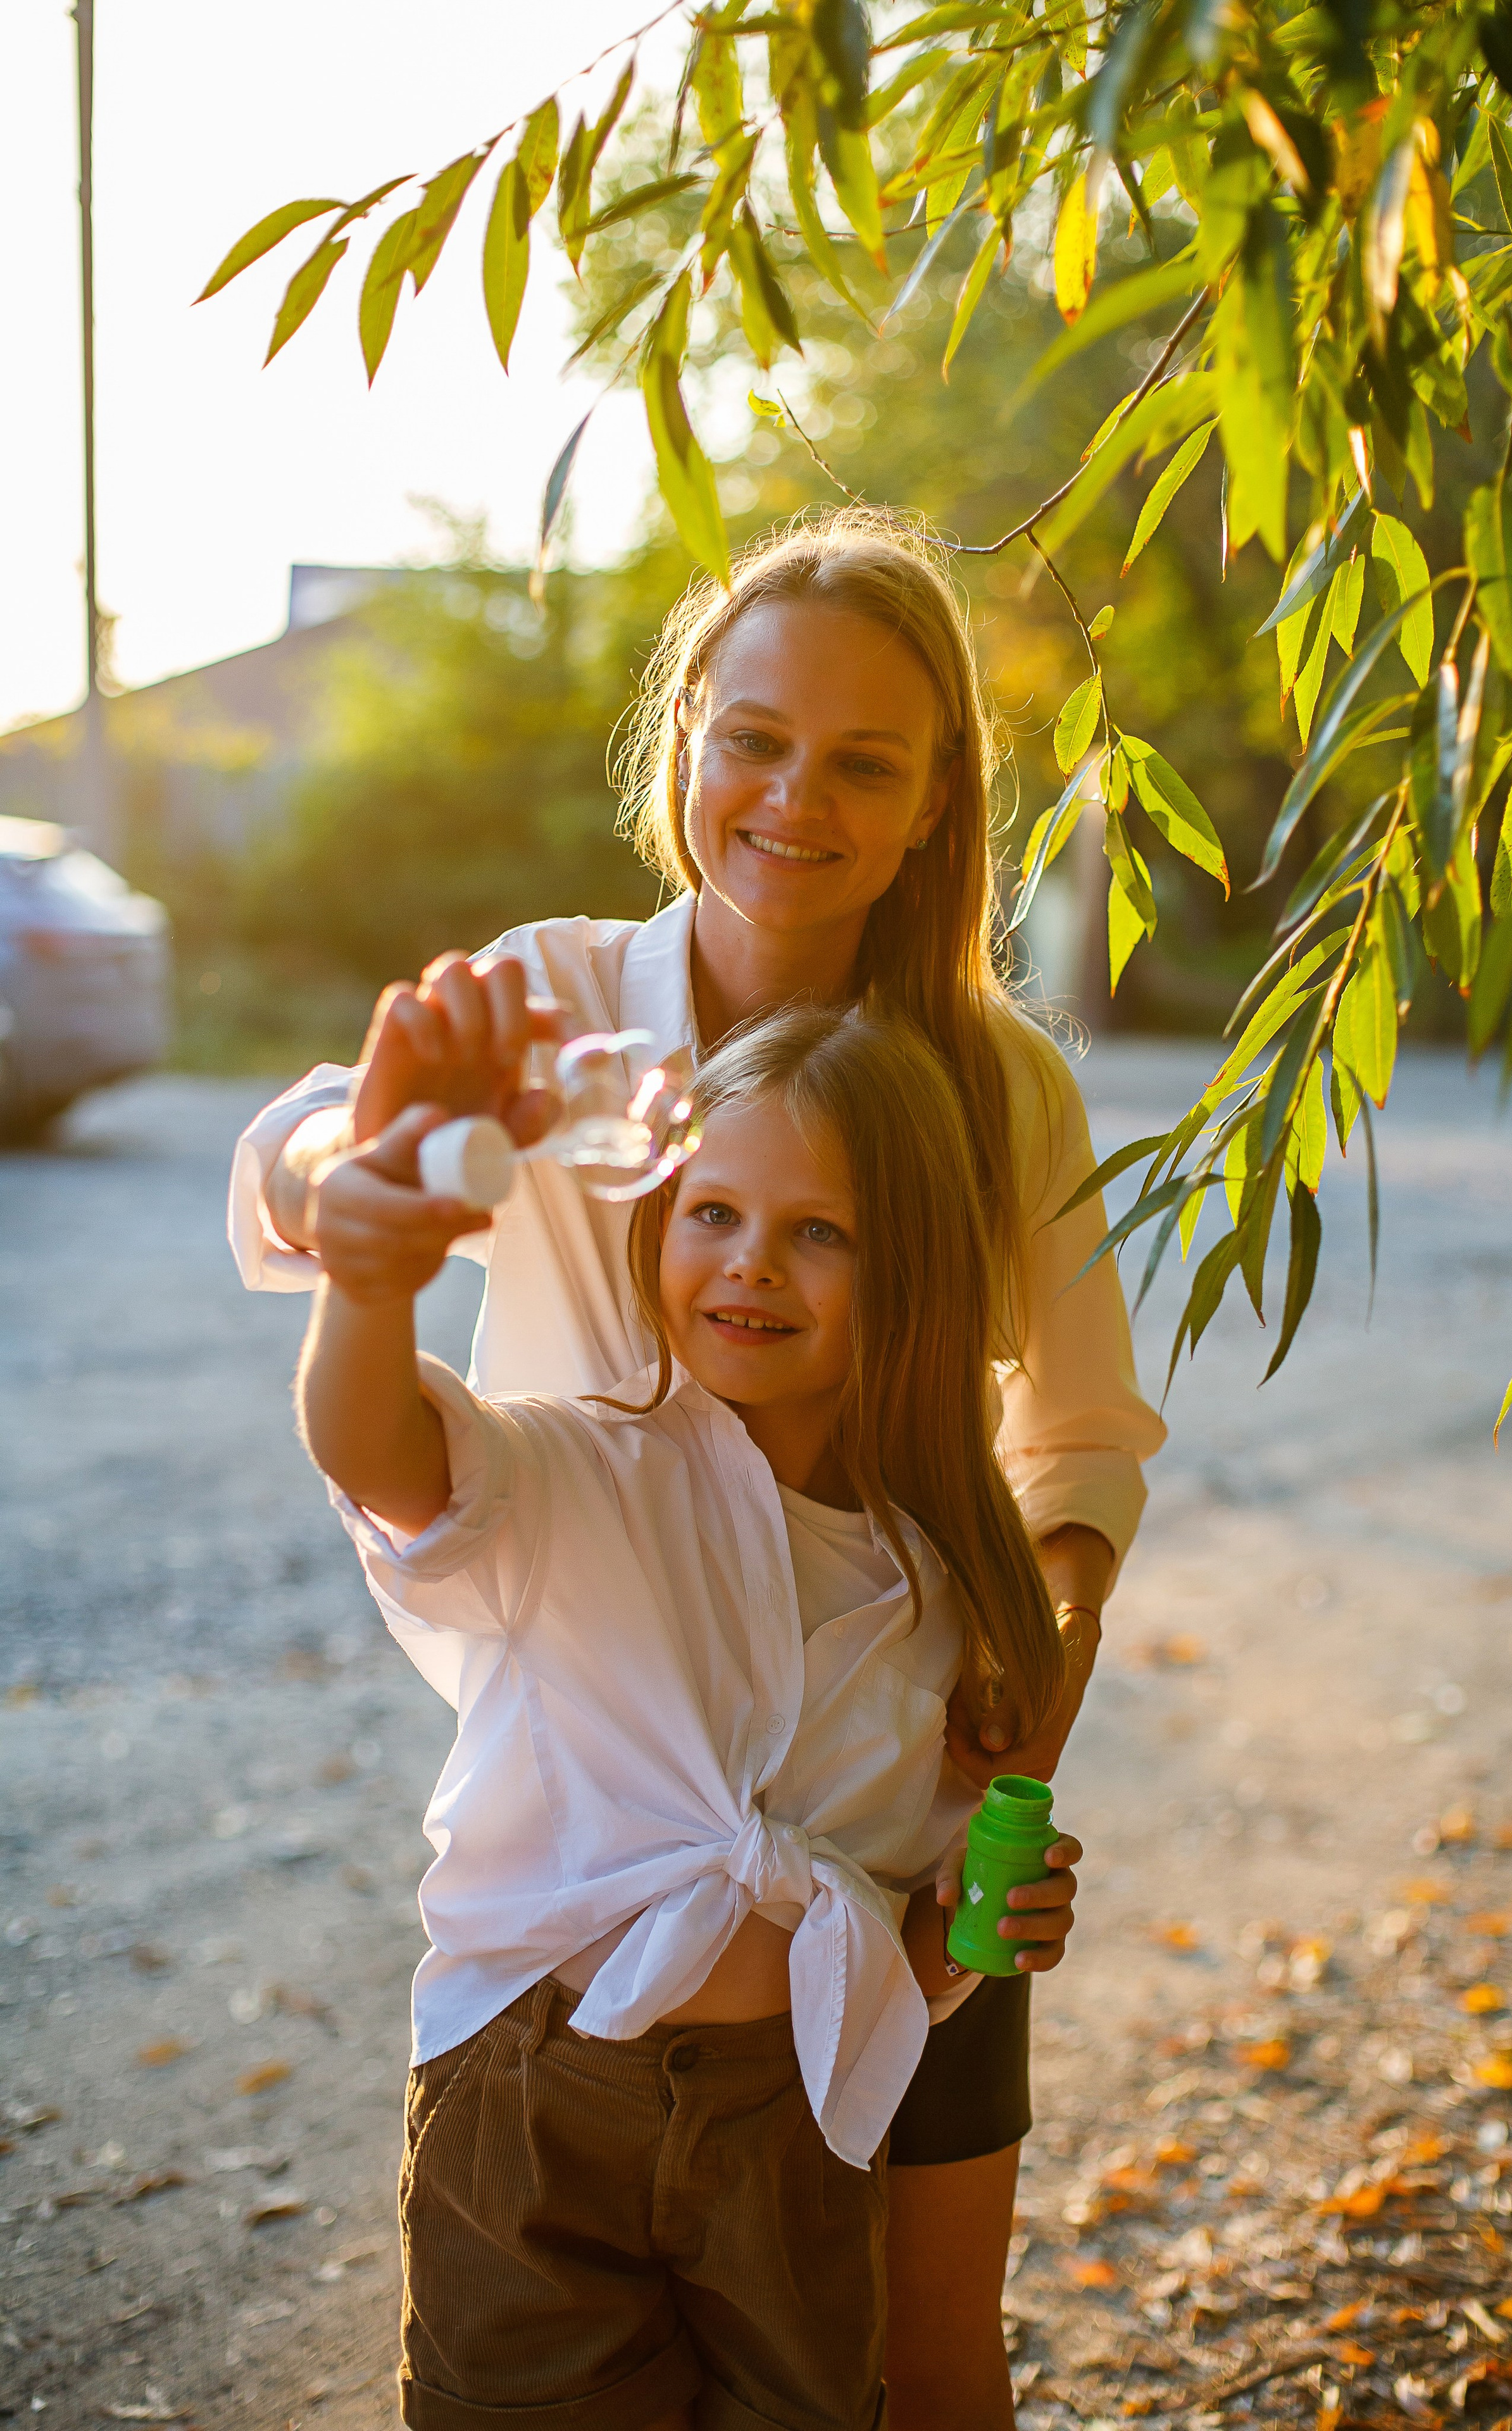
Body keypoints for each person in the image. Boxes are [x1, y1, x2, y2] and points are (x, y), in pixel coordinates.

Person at [229, 506, 1166, 2428]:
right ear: (685, 752)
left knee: (919, 2364)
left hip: (900, 1848)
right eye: (754, 736)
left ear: (933, 805)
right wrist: (373, 1192)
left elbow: (1074, 1454)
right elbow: (313, 1164)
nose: (795, 797)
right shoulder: (563, 1005)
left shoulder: (998, 1088)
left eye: (864, 761)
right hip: (607, 1836)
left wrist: (1018, 1731)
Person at [298, 1005, 1079, 2431]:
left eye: (818, 1233)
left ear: (911, 1267)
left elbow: (907, 1911)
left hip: (792, 2124)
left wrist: (978, 1924)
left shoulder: (944, 1585)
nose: (749, 1263)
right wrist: (370, 1279)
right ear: (654, 1231)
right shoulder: (580, 1470)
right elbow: (380, 1450)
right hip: (536, 2102)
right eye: (710, 1211)